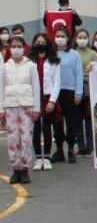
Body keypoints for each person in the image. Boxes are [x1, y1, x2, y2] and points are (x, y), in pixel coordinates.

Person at [0, 36, 42, 184]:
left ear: (24, 48)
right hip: (10, 105)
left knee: (25, 138)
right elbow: (1, 88)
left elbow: (36, 87)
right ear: (9, 48)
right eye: (13, 46)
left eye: (19, 46)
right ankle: (15, 169)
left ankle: (25, 169)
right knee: (12, 138)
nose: (16, 49)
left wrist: (36, 108)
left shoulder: (31, 65)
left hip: (26, 105)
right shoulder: (5, 67)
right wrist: (1, 110)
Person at [50, 26, 83, 165]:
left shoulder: (74, 54)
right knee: (57, 122)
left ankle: (70, 150)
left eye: (63, 36)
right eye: (57, 36)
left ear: (68, 38)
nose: (60, 38)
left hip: (69, 91)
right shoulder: (51, 54)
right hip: (54, 92)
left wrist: (78, 93)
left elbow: (79, 74)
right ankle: (59, 150)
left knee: (71, 122)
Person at [29, 33, 60, 171]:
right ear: (34, 44)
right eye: (37, 42)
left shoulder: (54, 61)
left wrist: (52, 101)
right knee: (35, 128)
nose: (40, 44)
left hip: (48, 97)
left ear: (47, 43)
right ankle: (37, 158)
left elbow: (57, 82)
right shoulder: (29, 61)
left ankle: (46, 158)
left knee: (47, 128)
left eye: (43, 42)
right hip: (33, 97)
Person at [74, 29, 97, 156]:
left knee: (89, 120)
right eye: (80, 37)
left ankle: (90, 146)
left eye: (85, 37)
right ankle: (81, 147)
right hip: (76, 88)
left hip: (90, 88)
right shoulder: (73, 53)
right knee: (77, 120)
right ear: (75, 39)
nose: (82, 39)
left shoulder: (94, 54)